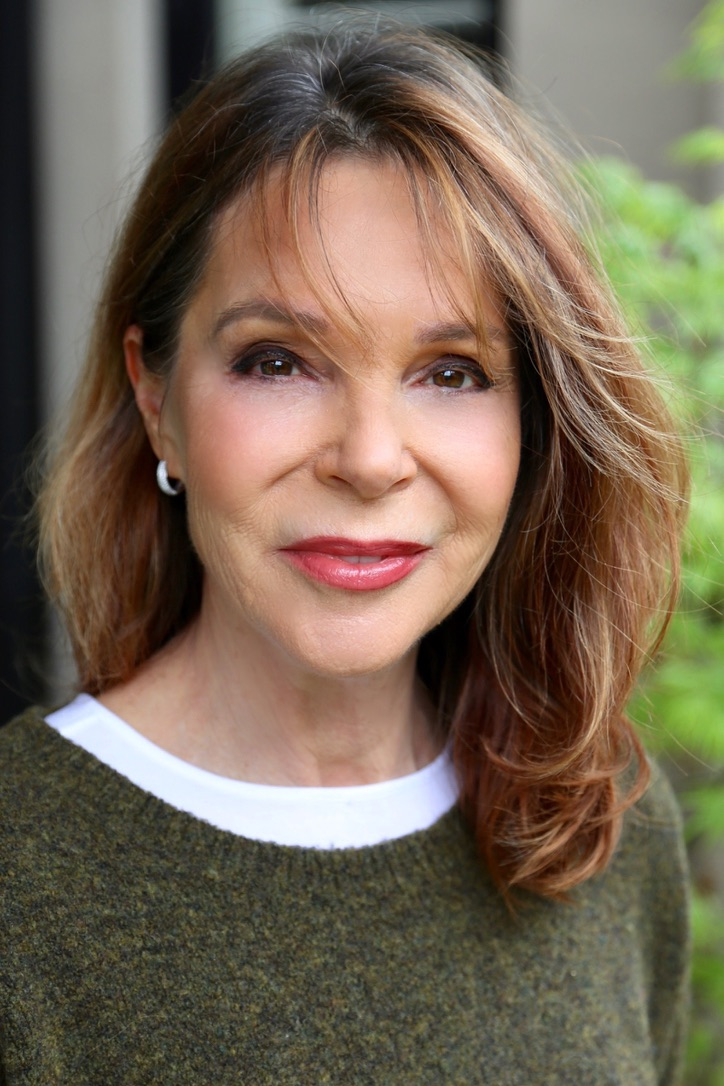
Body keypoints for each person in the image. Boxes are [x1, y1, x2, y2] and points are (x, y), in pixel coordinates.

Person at [0, 18, 689, 1085]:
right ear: (157, 398)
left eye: (451, 372)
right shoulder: (21, 879)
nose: (370, 460)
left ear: (533, 426)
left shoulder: (610, 833)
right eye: (278, 361)